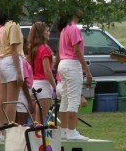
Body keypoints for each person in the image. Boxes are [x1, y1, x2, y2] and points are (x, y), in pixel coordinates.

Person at [55, 9, 91, 141]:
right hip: (72, 64)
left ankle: (64, 130)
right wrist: (87, 69)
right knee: (73, 99)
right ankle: (72, 131)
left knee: (65, 99)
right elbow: (77, 50)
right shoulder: (74, 28)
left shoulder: (65, 28)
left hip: (63, 64)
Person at [0, 3, 25, 126]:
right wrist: (19, 72)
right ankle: (9, 127)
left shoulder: (4, 27)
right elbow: (14, 48)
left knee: (4, 99)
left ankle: (3, 129)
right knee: (12, 100)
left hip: (2, 61)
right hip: (11, 61)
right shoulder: (14, 25)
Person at [26, 21, 57, 124]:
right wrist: (54, 86)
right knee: (40, 120)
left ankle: (32, 139)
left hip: (32, 85)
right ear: (42, 33)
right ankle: (39, 139)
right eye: (47, 31)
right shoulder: (45, 49)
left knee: (34, 120)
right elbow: (47, 70)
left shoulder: (32, 49)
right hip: (43, 86)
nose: (49, 33)